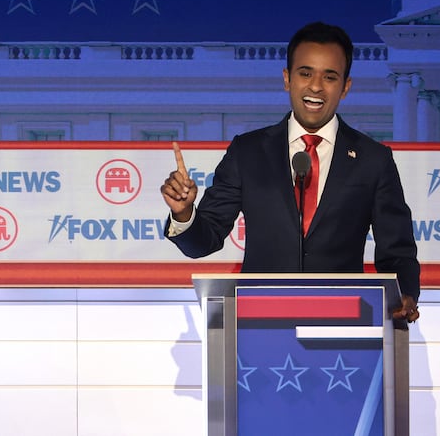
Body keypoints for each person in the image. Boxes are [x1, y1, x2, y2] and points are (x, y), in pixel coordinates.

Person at [160, 21, 420, 322]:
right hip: (259, 323)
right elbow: (204, 241)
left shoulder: (373, 159)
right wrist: (183, 213)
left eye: (330, 77)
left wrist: (406, 293)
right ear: (287, 79)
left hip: (344, 326)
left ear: (346, 87)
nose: (315, 86)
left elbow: (397, 250)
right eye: (305, 73)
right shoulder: (248, 152)